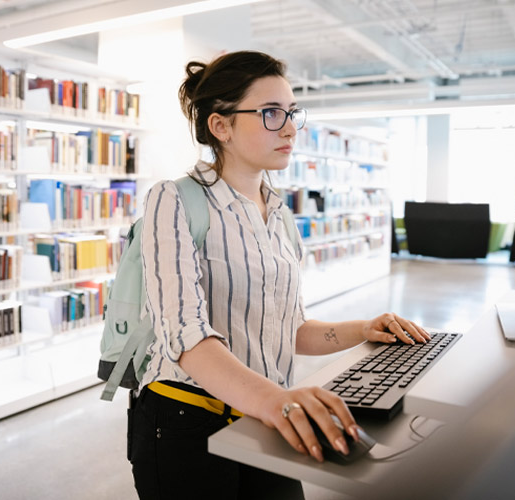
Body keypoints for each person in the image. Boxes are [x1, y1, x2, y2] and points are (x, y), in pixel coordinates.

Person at [129, 50, 431, 500]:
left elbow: (290, 330)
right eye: (271, 113)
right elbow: (187, 338)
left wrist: (362, 329)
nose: (290, 127)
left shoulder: (280, 214)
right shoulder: (172, 201)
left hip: (265, 414)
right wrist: (279, 402)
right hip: (186, 423)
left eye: (291, 113)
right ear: (221, 126)